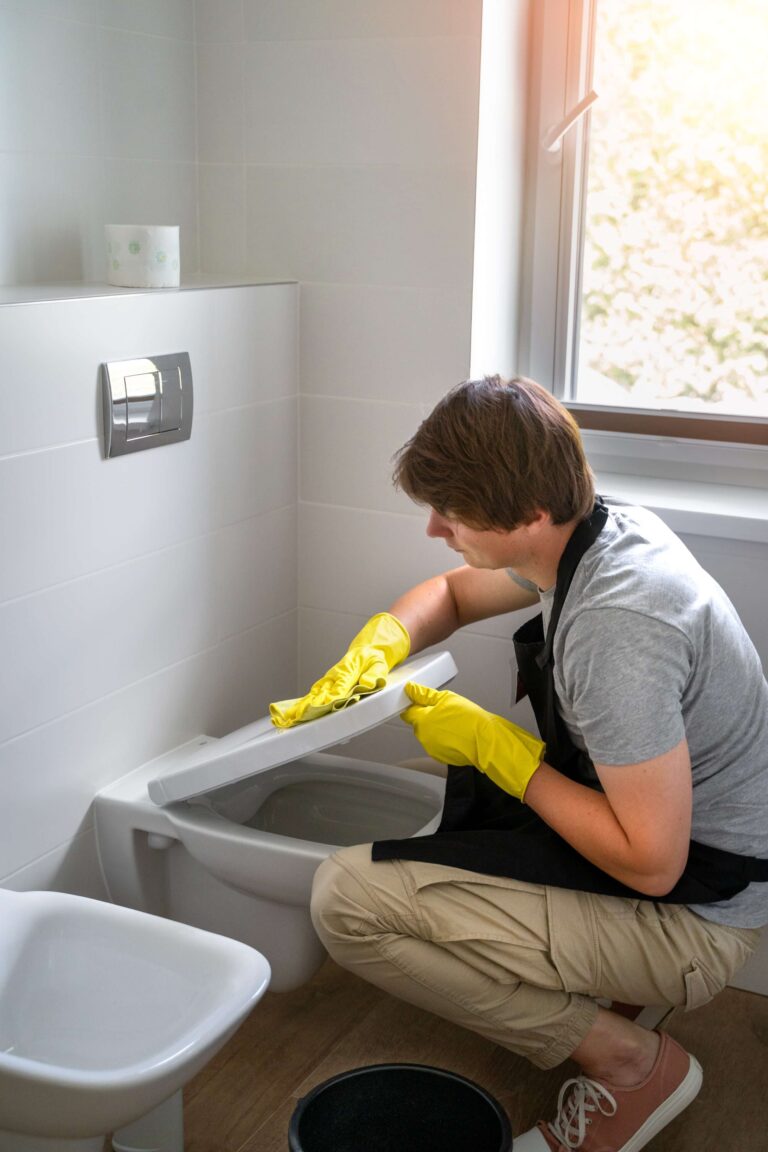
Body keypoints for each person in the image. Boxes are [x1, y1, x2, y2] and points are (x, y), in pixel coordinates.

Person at [270, 376, 768, 1152]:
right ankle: (611, 991)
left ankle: (632, 1064)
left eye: (453, 511)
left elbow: (652, 866)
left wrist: (503, 753)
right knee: (443, 792)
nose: (435, 527)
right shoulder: (595, 531)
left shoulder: (618, 627)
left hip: (691, 917)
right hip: (692, 860)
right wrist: (383, 643)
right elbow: (451, 595)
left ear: (529, 511)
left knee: (345, 900)